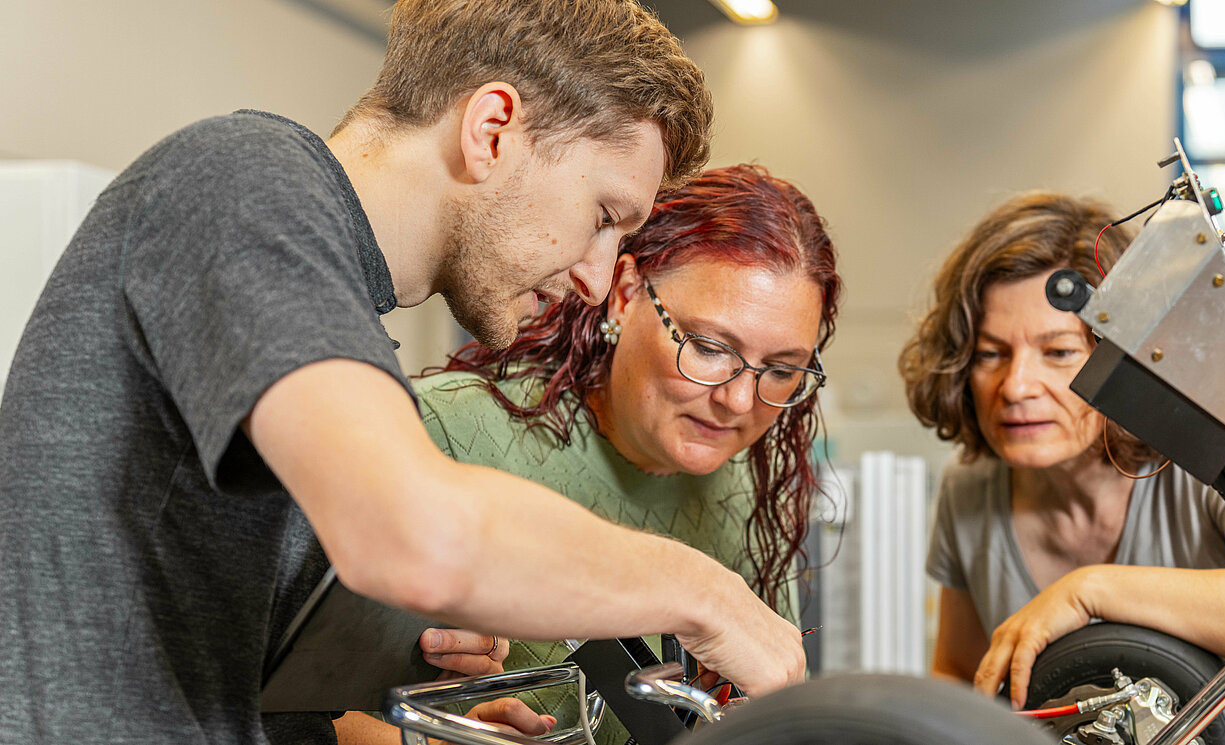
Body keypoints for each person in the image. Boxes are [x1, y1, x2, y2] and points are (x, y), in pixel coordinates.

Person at [0, 2, 807, 743]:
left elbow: (229, 664)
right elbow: (414, 537)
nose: (599, 279)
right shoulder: (240, 178)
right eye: (602, 218)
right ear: (491, 128)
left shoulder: (350, 320)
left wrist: (426, 715)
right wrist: (709, 596)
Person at [338, 163, 839, 744]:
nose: (737, 399)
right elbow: (276, 707)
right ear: (626, 295)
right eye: (706, 347)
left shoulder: (747, 489)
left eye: (780, 370)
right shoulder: (444, 434)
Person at [898, 191, 1225, 745]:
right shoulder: (969, 489)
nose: (1016, 386)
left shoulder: (1212, 458)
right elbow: (960, 674)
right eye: (989, 354)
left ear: (1124, 361)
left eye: (1057, 352)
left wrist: (1090, 591)